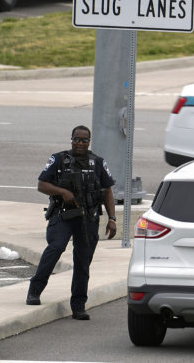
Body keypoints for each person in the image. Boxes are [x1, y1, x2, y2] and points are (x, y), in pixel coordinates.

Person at [26, 125, 117, 320]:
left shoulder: (98, 163)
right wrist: (62, 192)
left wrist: (112, 218)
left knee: (83, 261)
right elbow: (42, 185)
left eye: (84, 140)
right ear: (71, 139)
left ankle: (78, 305)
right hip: (64, 215)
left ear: (89, 142)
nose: (80, 143)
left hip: (88, 218)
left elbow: (108, 191)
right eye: (77, 139)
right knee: (56, 248)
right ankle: (35, 290)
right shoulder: (59, 159)